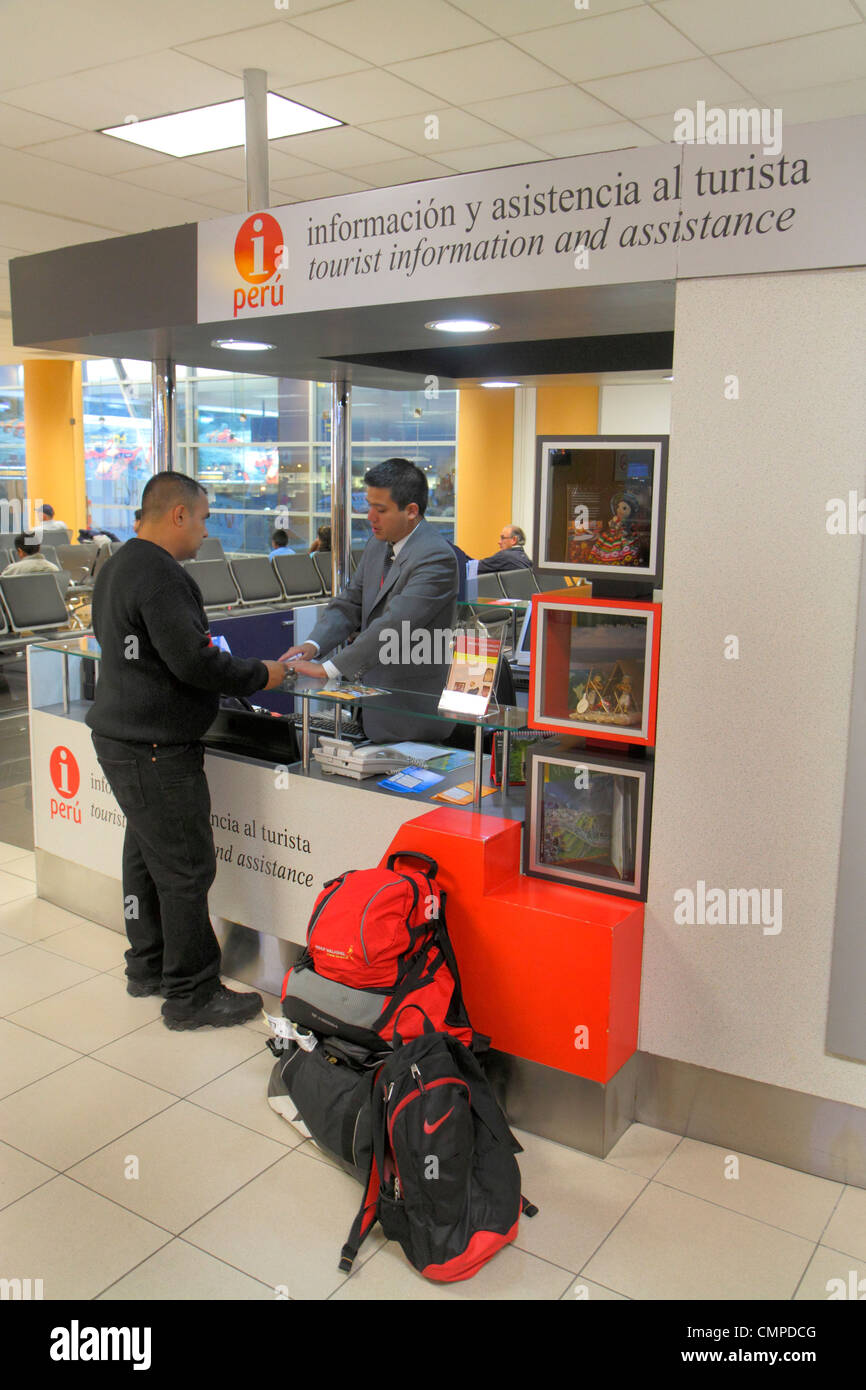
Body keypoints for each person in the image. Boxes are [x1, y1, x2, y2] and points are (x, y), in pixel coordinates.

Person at [86, 471, 287, 1031]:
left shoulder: (119, 563)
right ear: (177, 514)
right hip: (156, 747)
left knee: (146, 857)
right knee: (185, 870)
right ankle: (192, 994)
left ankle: (147, 965)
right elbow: (193, 661)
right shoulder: (161, 575)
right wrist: (262, 674)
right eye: (201, 518)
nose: (204, 531)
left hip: (123, 738)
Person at [280, 457, 458, 742]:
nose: (370, 516)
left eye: (381, 509)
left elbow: (394, 624)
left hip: (408, 714)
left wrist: (328, 669)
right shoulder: (378, 544)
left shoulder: (436, 557)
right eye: (369, 505)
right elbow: (350, 602)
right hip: (369, 708)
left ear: (411, 511)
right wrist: (313, 645)